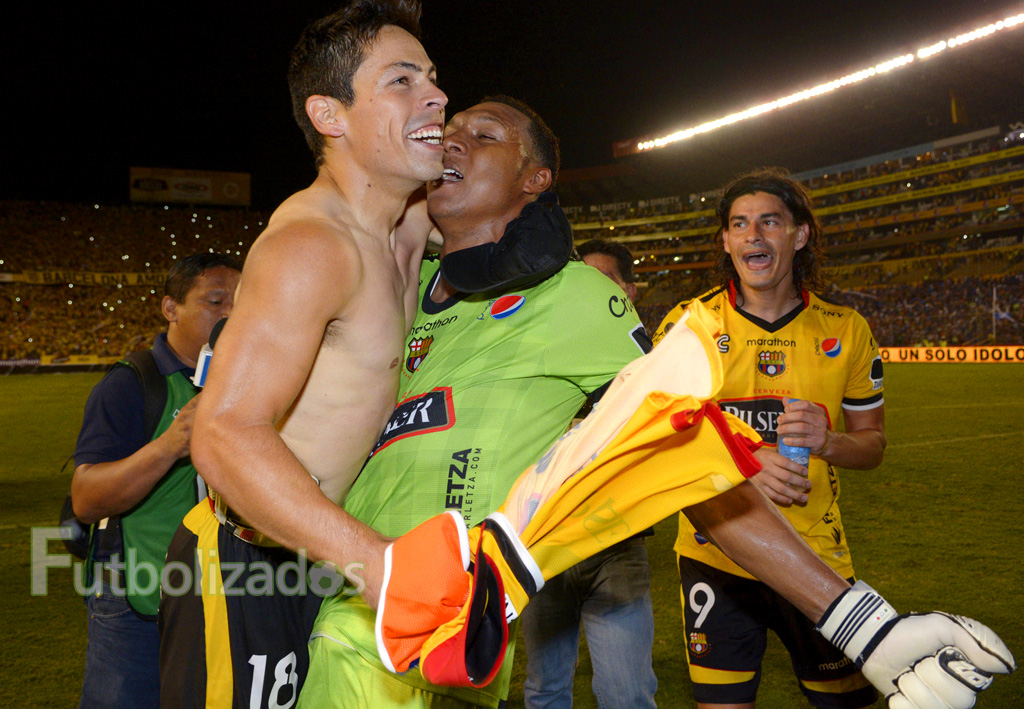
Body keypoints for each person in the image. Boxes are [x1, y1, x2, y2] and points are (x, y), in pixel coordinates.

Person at [299, 98, 651, 708]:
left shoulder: (574, 294)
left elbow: (679, 431)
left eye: (485, 135)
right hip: (339, 596)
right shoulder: (396, 284)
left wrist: (825, 601)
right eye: (451, 130)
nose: (452, 139)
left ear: (534, 180)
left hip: (444, 633)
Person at [156, 2, 448, 706]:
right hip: (251, 564)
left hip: (330, 557)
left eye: (433, 76)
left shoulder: (409, 220)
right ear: (329, 115)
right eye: (402, 80)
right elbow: (224, 434)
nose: (437, 95)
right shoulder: (312, 246)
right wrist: (376, 562)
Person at [654, 168, 887, 708]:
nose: (753, 235)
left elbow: (873, 444)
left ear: (799, 235)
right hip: (715, 557)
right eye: (739, 224)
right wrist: (743, 456)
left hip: (816, 559)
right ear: (726, 241)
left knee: (844, 702)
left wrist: (828, 442)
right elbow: (654, 437)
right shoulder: (689, 325)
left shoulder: (846, 329)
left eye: (769, 222)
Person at [71, 252, 240, 707]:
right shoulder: (133, 383)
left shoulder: (242, 382)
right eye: (215, 302)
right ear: (171, 308)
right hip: (137, 599)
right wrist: (170, 445)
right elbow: (86, 499)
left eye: (239, 303)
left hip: (222, 594)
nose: (230, 314)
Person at [521, 236, 657, 709]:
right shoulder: (542, 349)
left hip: (616, 542)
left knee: (627, 695)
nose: (590, 290)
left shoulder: (643, 361)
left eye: (604, 280)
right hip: (545, 543)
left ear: (629, 292)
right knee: (545, 690)